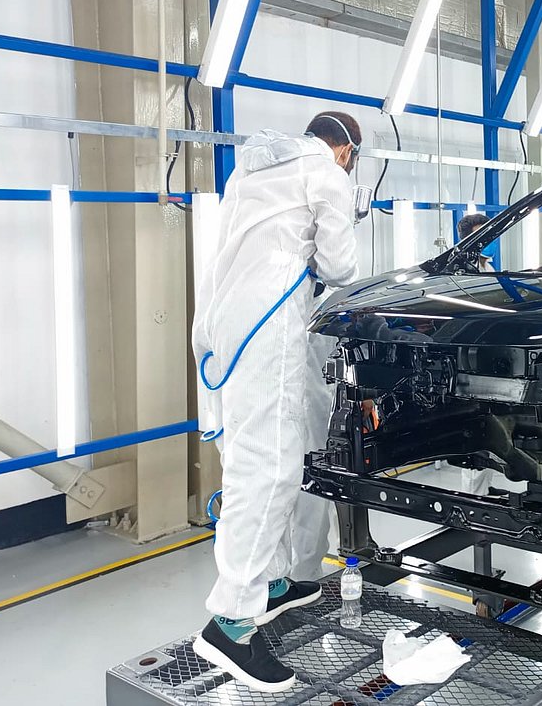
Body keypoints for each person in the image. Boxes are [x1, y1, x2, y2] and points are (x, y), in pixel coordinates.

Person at [191, 111, 362, 692]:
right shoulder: (327, 174)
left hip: (225, 322)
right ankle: (231, 624)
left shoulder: (252, 169)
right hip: (271, 325)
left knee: (250, 456)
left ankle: (272, 583)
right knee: (271, 470)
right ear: (346, 152)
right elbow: (342, 267)